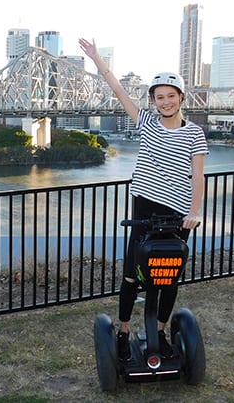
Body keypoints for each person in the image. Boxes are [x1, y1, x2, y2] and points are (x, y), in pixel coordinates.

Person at [78, 38, 208, 361]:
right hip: (145, 209)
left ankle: (160, 331)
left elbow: (198, 176)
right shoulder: (145, 123)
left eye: (170, 96)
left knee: (169, 277)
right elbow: (117, 89)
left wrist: (194, 212)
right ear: (154, 100)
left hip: (178, 214)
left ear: (181, 98)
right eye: (159, 97)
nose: (165, 102)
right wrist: (96, 58)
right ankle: (123, 332)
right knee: (132, 276)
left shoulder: (195, 133)